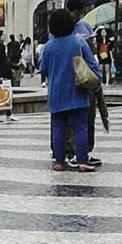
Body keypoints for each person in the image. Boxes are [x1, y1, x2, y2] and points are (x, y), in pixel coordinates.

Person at [39, 9, 100, 171]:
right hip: (78, 91)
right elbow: (94, 66)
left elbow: (43, 68)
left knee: (58, 127)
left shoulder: (48, 46)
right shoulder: (79, 43)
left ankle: (59, 162)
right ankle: (82, 161)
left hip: (56, 93)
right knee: (80, 127)